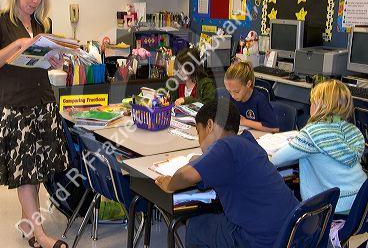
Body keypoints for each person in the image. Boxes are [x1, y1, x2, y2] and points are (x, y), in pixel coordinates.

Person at [0, 0, 69, 248]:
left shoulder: (42, 24)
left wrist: (54, 60)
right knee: (25, 173)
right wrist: (15, 45)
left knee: (37, 170)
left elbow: (38, 61)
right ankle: (40, 236)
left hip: (42, 102)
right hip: (14, 107)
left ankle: (27, 224)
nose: (35, 1)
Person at [155, 99, 299, 248]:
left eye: (199, 132)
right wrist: (204, 160)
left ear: (209, 125)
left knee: (197, 225)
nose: (199, 141)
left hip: (262, 240)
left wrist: (169, 184)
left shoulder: (224, 146)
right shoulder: (248, 142)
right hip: (292, 230)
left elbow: (186, 176)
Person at [271, 80, 367, 214]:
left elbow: (276, 159)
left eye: (312, 102)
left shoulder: (312, 133)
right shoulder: (352, 130)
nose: (310, 106)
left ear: (321, 106)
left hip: (336, 206)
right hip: (361, 200)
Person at [224, 61, 279, 132]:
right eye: (229, 91)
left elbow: (274, 128)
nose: (233, 95)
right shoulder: (232, 97)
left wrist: (245, 122)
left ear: (248, 84)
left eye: (237, 92)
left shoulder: (259, 100)